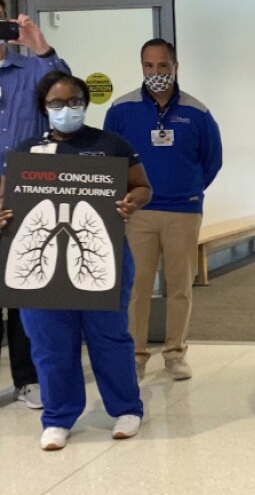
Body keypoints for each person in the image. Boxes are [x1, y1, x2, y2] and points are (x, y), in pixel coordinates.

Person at [1, 72, 151, 450]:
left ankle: (126, 408)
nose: (65, 110)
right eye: (56, 103)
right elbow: (6, 198)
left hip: (103, 255)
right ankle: (58, 416)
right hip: (42, 262)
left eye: (73, 102)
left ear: (85, 103)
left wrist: (132, 201)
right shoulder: (26, 150)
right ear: (43, 107)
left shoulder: (110, 144)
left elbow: (143, 187)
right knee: (50, 341)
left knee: (109, 337)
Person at [104, 38, 223, 382]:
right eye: (148, 66)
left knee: (179, 286)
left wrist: (190, 189)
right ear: (141, 67)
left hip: (183, 211)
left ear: (175, 67)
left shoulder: (196, 112)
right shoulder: (121, 110)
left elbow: (212, 160)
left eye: (162, 65)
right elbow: (111, 159)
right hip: (138, 213)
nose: (155, 72)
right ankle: (136, 356)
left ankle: (175, 353)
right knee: (137, 286)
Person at [0, 0, 70, 410]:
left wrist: (41, 47)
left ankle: (28, 379)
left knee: (24, 292)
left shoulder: (33, 71)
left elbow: (68, 98)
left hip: (24, 199)